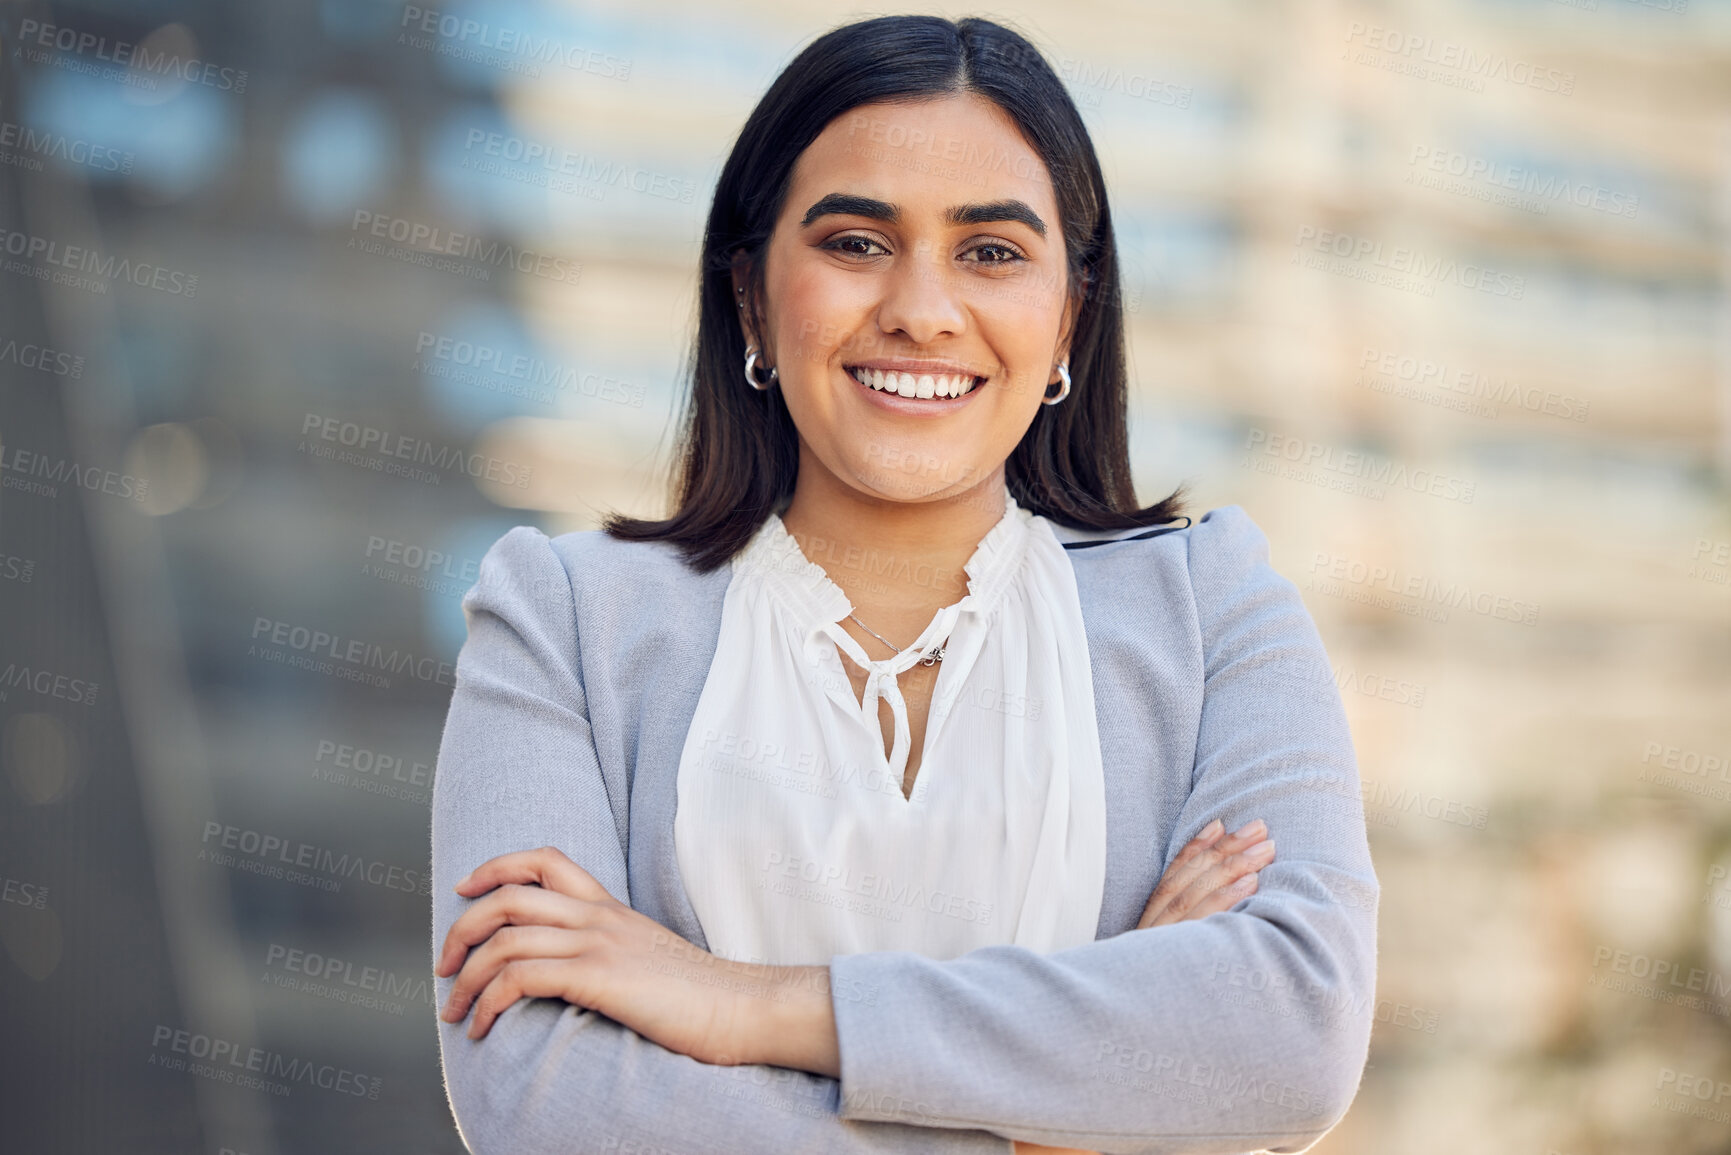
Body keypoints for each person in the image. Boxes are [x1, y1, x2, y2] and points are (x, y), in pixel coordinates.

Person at [430, 14, 1378, 1155]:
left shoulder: (1213, 604)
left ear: (1070, 312)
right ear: (749, 298)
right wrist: (1067, 1119)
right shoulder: (563, 621)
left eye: (991, 252)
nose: (922, 310)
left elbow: (1291, 1033)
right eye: (856, 242)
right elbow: (541, 1106)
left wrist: (743, 1005)